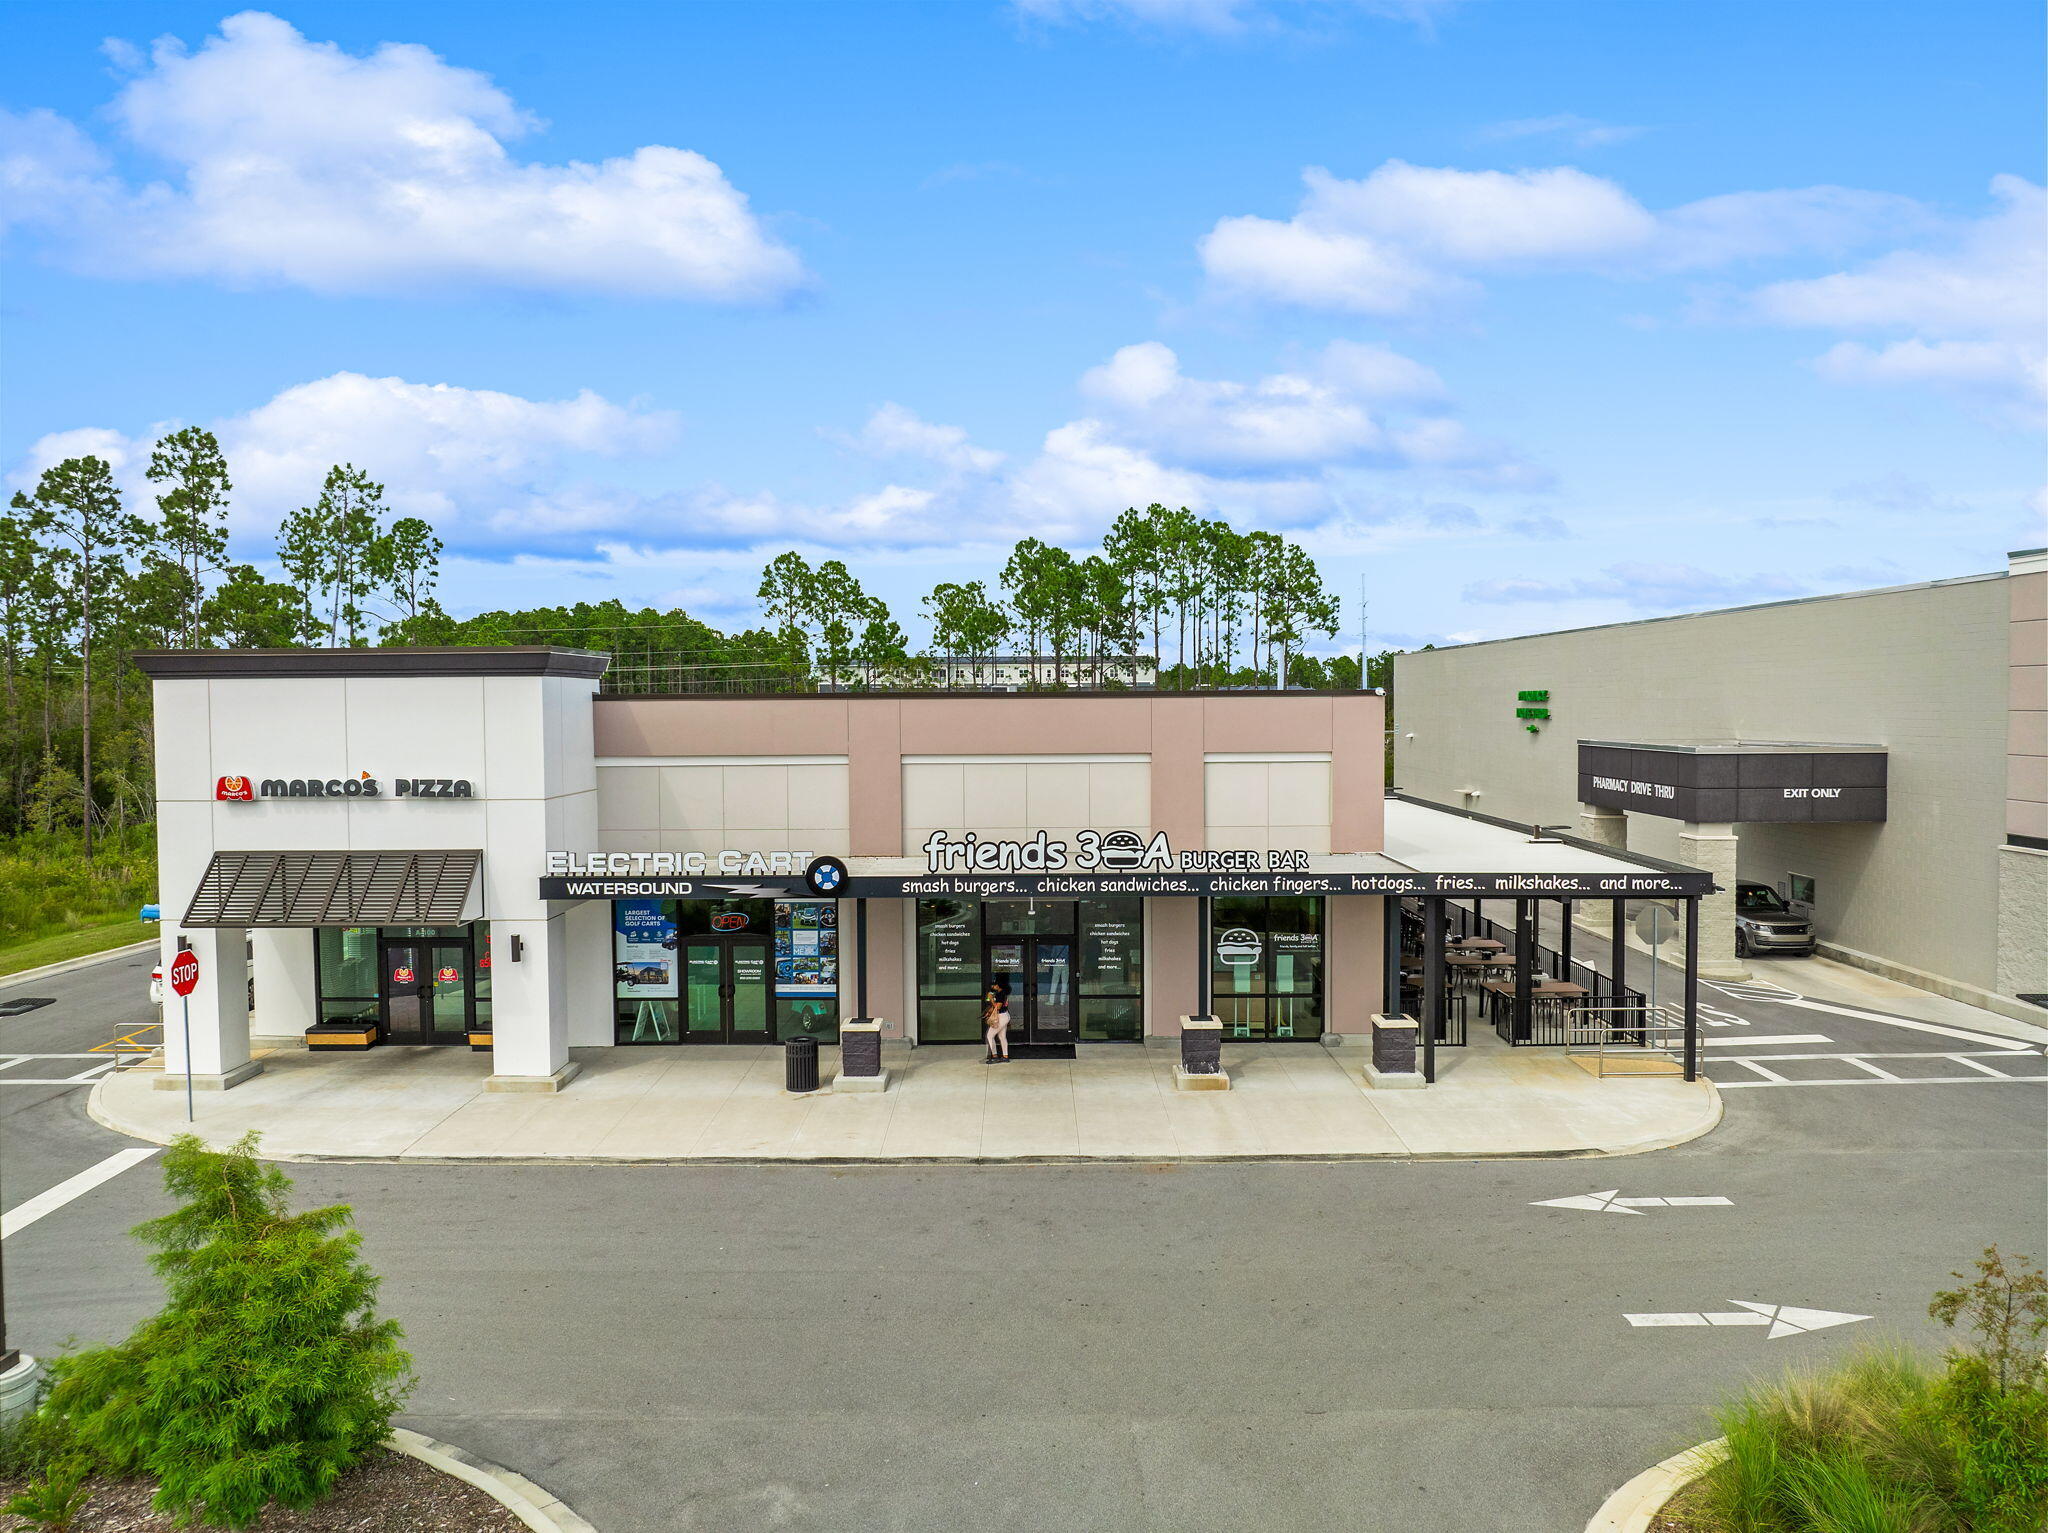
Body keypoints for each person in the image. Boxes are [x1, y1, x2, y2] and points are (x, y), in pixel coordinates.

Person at [983, 981, 1011, 1064]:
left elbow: (998, 1006)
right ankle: (1005, 1056)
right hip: (1004, 1015)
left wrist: (991, 998)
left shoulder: (1000, 994)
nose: (993, 986)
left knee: (989, 1035)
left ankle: (995, 1056)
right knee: (1002, 1036)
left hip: (1001, 1017)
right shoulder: (1003, 993)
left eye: (994, 984)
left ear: (999, 985)